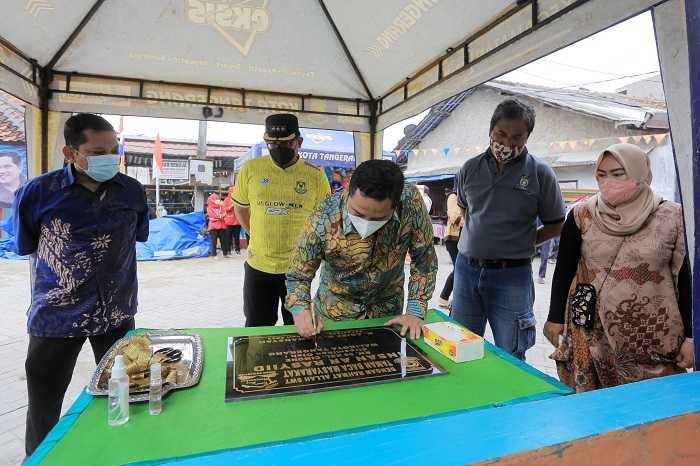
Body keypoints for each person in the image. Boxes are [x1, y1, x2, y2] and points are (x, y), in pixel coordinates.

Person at [12, 113, 148, 456]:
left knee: (124, 396)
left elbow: (139, 235)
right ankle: (41, 459)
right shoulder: (38, 192)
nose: (109, 158)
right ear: (70, 153)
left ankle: (120, 455)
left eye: (114, 150)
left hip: (116, 315)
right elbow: (27, 245)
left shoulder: (131, 191)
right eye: (98, 151)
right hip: (56, 318)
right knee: (44, 407)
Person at [544, 143, 694, 392]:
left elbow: (686, 280)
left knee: (653, 410)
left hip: (652, 341)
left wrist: (691, 337)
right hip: (592, 334)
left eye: (617, 173)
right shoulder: (582, 215)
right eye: (601, 175)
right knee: (596, 413)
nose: (608, 181)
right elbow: (564, 269)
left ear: (640, 173)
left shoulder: (672, 217)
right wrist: (555, 317)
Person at [452, 99, 565, 359]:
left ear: (527, 137)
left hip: (512, 275)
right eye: (501, 133)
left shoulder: (541, 173)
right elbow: (466, 210)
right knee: (461, 345)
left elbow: (556, 224)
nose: (507, 142)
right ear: (491, 130)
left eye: (517, 137)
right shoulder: (469, 168)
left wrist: (524, 242)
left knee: (512, 350)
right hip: (466, 269)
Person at [287, 160, 438, 339]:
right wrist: (300, 309)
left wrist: (415, 310)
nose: (366, 225)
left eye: (378, 219)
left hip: (388, 315)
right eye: (358, 214)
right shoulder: (324, 216)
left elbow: (424, 260)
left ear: (395, 205)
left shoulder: (410, 203)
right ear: (349, 190)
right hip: (335, 315)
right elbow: (298, 274)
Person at [233, 114, 330, 326]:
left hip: (297, 270)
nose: (278, 148)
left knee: (298, 327)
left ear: (299, 142)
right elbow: (240, 208)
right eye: (272, 143)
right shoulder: (251, 169)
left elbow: (325, 218)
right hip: (258, 266)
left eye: (286, 143)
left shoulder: (315, 175)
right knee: (257, 326)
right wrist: (254, 234)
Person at [437, 189, 462, 309]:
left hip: (463, 238)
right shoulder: (453, 196)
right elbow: (454, 217)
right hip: (453, 238)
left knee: (460, 269)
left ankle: (446, 298)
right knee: (459, 268)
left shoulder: (465, 196)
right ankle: (445, 298)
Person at [206, 193, 229, 258]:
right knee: (214, 241)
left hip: (222, 226)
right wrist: (220, 216)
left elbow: (225, 213)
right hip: (213, 227)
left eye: (218, 199)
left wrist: (219, 217)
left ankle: (225, 253)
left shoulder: (221, 206)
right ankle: (213, 254)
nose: (218, 200)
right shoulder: (209, 208)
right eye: (216, 199)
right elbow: (212, 216)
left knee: (224, 241)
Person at [223, 186, 241, 254]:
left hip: (237, 221)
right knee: (228, 236)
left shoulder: (239, 199)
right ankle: (228, 250)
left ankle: (237, 249)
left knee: (237, 236)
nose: (234, 192)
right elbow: (225, 209)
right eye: (232, 191)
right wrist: (231, 206)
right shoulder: (226, 200)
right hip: (229, 222)